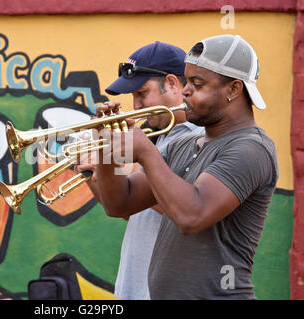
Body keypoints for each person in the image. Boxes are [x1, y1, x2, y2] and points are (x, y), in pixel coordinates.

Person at [90, 34, 278, 299]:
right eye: (187, 81)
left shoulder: (251, 148)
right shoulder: (185, 144)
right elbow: (120, 203)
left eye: (197, 83)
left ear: (234, 90)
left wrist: (145, 151)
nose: (186, 90)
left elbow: (192, 216)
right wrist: (105, 147)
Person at [77, 41, 203, 299]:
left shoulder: (199, 138)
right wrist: (94, 172)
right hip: (133, 286)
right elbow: (125, 210)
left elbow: (183, 210)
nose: (135, 106)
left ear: (171, 83)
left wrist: (140, 161)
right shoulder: (157, 135)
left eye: (141, 93)